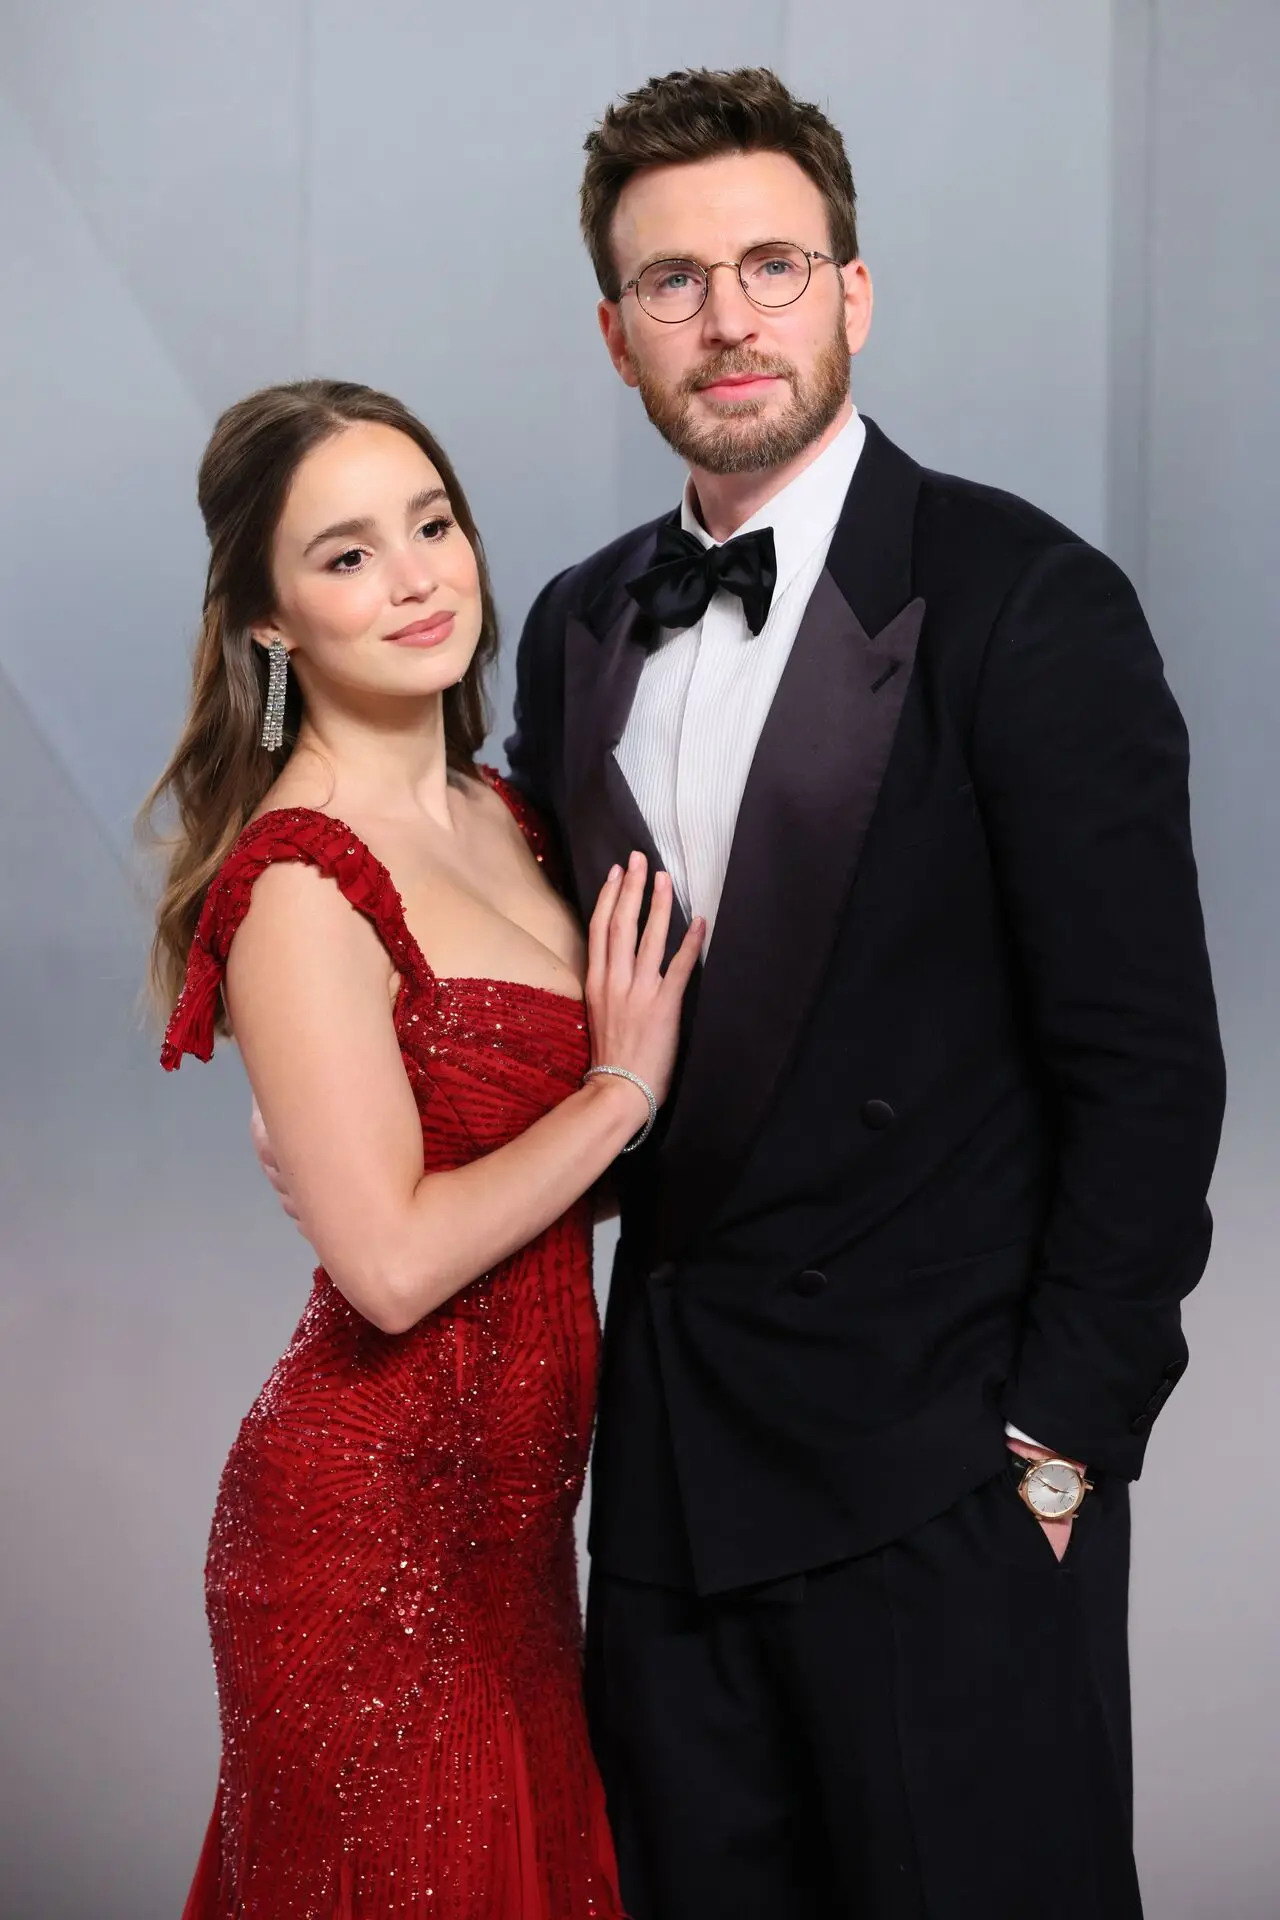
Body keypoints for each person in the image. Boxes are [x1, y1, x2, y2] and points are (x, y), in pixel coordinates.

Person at [499, 67, 1226, 1920]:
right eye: (674, 282)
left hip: (948, 1490)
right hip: (669, 1497)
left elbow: (1148, 1070)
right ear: (613, 333)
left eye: (771, 264)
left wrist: (1058, 1451)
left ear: (854, 291)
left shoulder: (1026, 600)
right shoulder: (579, 626)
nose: (728, 318)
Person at [144, 377, 701, 1918]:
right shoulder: (297, 874)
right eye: (345, 556)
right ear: (269, 624)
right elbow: (388, 1267)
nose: (414, 578)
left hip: (519, 1545)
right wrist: (618, 1094)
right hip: (366, 1539)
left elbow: (495, 1186)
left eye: (432, 523)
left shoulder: (512, 817)